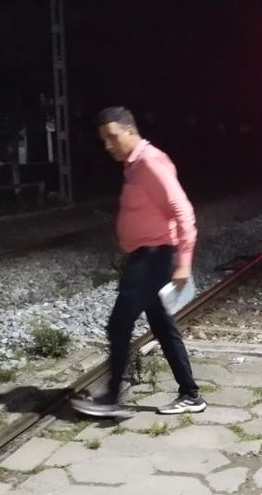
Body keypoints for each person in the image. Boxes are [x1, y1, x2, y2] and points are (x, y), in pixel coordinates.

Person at [71, 107, 206, 418]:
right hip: (148, 254)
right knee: (162, 325)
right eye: (103, 140)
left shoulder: (149, 163)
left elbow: (183, 211)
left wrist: (184, 262)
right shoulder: (134, 164)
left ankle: (112, 398)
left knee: (118, 324)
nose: (108, 145)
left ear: (130, 131)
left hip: (153, 257)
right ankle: (191, 394)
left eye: (112, 137)